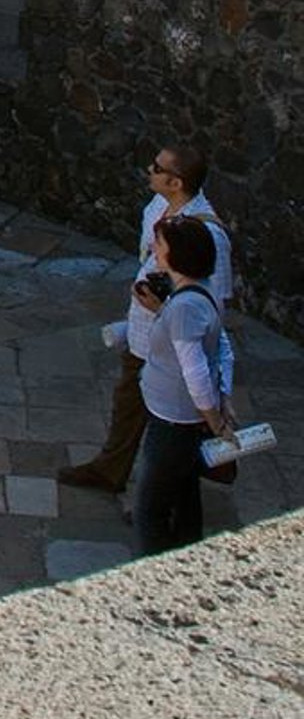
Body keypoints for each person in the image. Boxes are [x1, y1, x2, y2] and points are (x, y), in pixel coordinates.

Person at [61, 140, 233, 494]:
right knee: (128, 403)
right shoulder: (157, 206)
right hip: (144, 335)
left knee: (170, 429)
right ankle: (111, 470)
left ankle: (164, 499)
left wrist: (164, 310)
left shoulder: (207, 234)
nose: (149, 171)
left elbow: (212, 303)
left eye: (157, 168)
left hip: (173, 343)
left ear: (176, 182)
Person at [132, 217, 234, 558]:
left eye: (160, 244)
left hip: (173, 422)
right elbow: (222, 349)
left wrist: (216, 421)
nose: (154, 248)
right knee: (185, 496)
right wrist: (223, 400)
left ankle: (152, 572)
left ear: (177, 254)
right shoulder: (202, 292)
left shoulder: (185, 307)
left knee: (150, 510)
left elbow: (195, 372)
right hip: (185, 420)